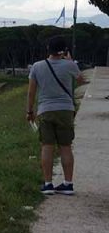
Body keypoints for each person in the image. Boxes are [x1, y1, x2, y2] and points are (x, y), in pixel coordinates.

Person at [27, 36, 87, 196]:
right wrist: (71, 61)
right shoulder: (70, 65)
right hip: (66, 110)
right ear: (64, 50)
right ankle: (68, 184)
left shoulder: (37, 67)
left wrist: (29, 111)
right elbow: (81, 81)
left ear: (48, 49)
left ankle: (48, 184)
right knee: (65, 147)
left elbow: (31, 91)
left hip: (45, 110)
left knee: (47, 146)